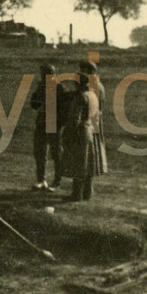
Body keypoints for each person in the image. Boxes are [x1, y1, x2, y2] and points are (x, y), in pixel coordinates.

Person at [61, 60, 109, 201]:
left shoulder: (86, 91)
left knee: (80, 161)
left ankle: (78, 193)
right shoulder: (98, 87)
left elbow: (76, 116)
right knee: (91, 159)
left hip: (84, 126)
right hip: (93, 124)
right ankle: (88, 191)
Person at [30, 63, 61, 191]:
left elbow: (63, 108)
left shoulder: (59, 88)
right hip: (42, 122)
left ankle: (56, 181)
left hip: (54, 123)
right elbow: (34, 105)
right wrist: (37, 91)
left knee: (56, 153)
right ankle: (41, 180)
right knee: (40, 151)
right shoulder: (42, 87)